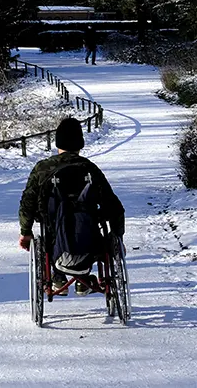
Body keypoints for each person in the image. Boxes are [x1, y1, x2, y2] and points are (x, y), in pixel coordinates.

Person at [18, 117, 124, 296]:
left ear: (57, 142)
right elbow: (113, 206)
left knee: (51, 230)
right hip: (90, 242)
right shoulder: (89, 169)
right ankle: (84, 280)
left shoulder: (43, 169)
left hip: (53, 242)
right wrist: (117, 236)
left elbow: (28, 203)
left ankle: (57, 277)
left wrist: (25, 231)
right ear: (80, 144)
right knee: (88, 228)